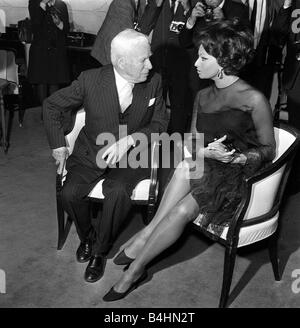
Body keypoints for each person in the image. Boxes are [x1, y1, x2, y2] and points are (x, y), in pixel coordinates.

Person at [103, 19, 276, 302]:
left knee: (183, 210)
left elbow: (268, 149)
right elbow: (193, 139)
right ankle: (148, 235)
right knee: (185, 166)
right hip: (206, 163)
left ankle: (135, 270)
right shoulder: (203, 95)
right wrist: (204, 152)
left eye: (204, 57)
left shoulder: (254, 99)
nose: (196, 63)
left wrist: (236, 158)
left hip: (237, 175)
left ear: (223, 60)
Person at [43, 29, 168, 283]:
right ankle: (87, 237)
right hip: (92, 152)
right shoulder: (90, 80)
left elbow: (160, 124)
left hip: (134, 154)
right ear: (122, 62)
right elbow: (52, 105)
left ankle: (100, 250)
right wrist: (59, 145)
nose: (150, 64)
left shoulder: (154, 81)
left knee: (117, 191)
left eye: (149, 57)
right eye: (144, 59)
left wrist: (131, 139)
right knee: (70, 193)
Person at [27, 0, 70, 115]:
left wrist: (59, 23)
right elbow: (35, 26)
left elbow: (66, 29)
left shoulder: (61, 5)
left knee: (54, 82)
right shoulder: (34, 3)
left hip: (57, 50)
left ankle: (51, 112)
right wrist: (42, 6)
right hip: (40, 51)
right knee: (41, 82)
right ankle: (45, 111)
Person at [91, 0, 148, 66]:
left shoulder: (140, 2)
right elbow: (127, 33)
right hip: (107, 52)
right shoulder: (122, 3)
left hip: (117, 48)